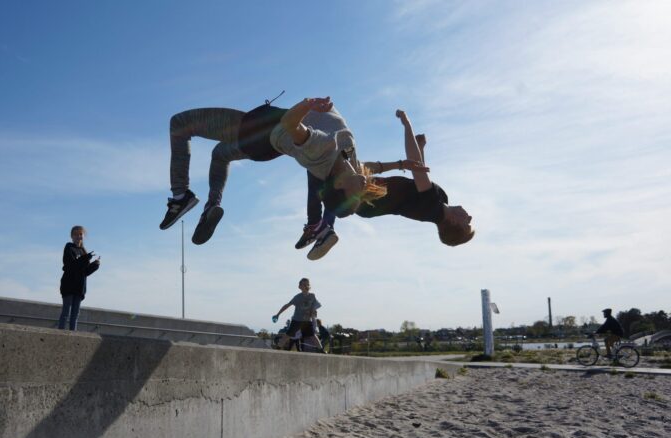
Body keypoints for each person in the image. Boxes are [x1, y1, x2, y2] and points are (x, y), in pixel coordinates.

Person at [159, 96, 385, 246]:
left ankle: (180, 196)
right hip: (262, 147)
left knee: (180, 124)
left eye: (356, 194)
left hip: (260, 129)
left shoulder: (322, 150)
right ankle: (211, 205)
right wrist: (401, 165)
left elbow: (290, 124)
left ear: (340, 184)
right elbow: (366, 171)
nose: (364, 185)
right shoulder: (350, 163)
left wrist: (308, 105)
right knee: (220, 155)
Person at [298, 109, 474, 259]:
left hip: (369, 199)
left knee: (325, 169)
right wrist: (420, 149)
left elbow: (415, 167)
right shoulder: (438, 202)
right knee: (329, 172)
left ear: (453, 222)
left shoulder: (434, 207)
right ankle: (323, 227)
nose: (470, 218)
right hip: (370, 197)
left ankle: (320, 226)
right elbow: (419, 173)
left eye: (467, 224)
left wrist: (407, 124)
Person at [59, 225, 100, 331]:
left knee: (75, 314)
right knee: (66, 313)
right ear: (72, 236)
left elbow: (84, 272)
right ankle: (59, 335)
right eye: (76, 234)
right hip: (68, 285)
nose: (78, 236)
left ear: (83, 236)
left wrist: (95, 265)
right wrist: (85, 258)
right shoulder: (69, 247)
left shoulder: (83, 252)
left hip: (79, 287)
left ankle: (72, 336)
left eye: (80, 234)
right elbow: (71, 265)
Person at [272, 278, 322, 351]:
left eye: (307, 284)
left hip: (307, 321)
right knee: (287, 335)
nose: (305, 285)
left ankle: (321, 350)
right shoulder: (297, 297)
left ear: (309, 285)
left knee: (312, 336)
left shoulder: (312, 296)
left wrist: (312, 312)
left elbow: (315, 306)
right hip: (297, 320)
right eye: (303, 284)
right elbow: (287, 305)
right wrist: (278, 314)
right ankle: (278, 348)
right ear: (300, 287)